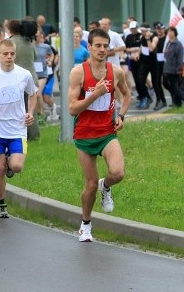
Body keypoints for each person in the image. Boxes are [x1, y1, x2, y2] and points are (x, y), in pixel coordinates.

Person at [68, 28, 131, 242]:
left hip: (107, 133)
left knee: (118, 173)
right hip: (84, 135)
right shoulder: (79, 72)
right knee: (90, 184)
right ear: (89, 47)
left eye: (105, 46)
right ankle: (85, 225)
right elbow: (72, 109)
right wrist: (94, 94)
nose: (102, 50)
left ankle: (107, 186)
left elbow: (127, 94)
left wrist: (121, 116)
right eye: (98, 46)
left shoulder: (116, 72)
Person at [0, 38, 37, 219]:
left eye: (12, 54)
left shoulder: (24, 74)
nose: (9, 57)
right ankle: (1, 205)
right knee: (0, 168)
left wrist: (30, 112)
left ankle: (11, 163)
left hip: (17, 128)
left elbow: (33, 94)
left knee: (16, 166)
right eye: (5, 54)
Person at [163, 26, 184, 107]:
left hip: (174, 68)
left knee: (174, 85)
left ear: (175, 33)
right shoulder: (168, 43)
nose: (170, 33)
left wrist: (179, 68)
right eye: (168, 32)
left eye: (171, 31)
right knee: (165, 83)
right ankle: (175, 99)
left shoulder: (178, 44)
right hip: (167, 67)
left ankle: (177, 102)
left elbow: (180, 57)